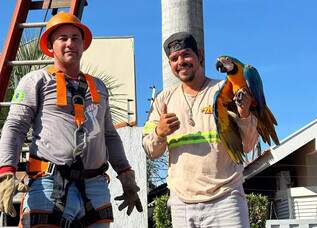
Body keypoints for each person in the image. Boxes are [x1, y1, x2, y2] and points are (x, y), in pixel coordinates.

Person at [0, 12, 142, 227]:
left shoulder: (99, 87)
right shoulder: (36, 81)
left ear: (83, 44)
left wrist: (126, 175)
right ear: (50, 45)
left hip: (94, 187)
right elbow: (15, 127)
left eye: (75, 38)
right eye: (62, 38)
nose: (70, 44)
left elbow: (109, 135)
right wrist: (6, 172)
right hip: (49, 184)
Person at [142, 31, 258, 228]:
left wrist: (245, 114)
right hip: (182, 204)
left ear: (200, 55)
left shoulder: (226, 90)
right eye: (174, 59)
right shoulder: (163, 100)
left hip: (226, 200)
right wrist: (159, 133)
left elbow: (248, 146)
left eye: (186, 54)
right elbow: (150, 151)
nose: (180, 62)